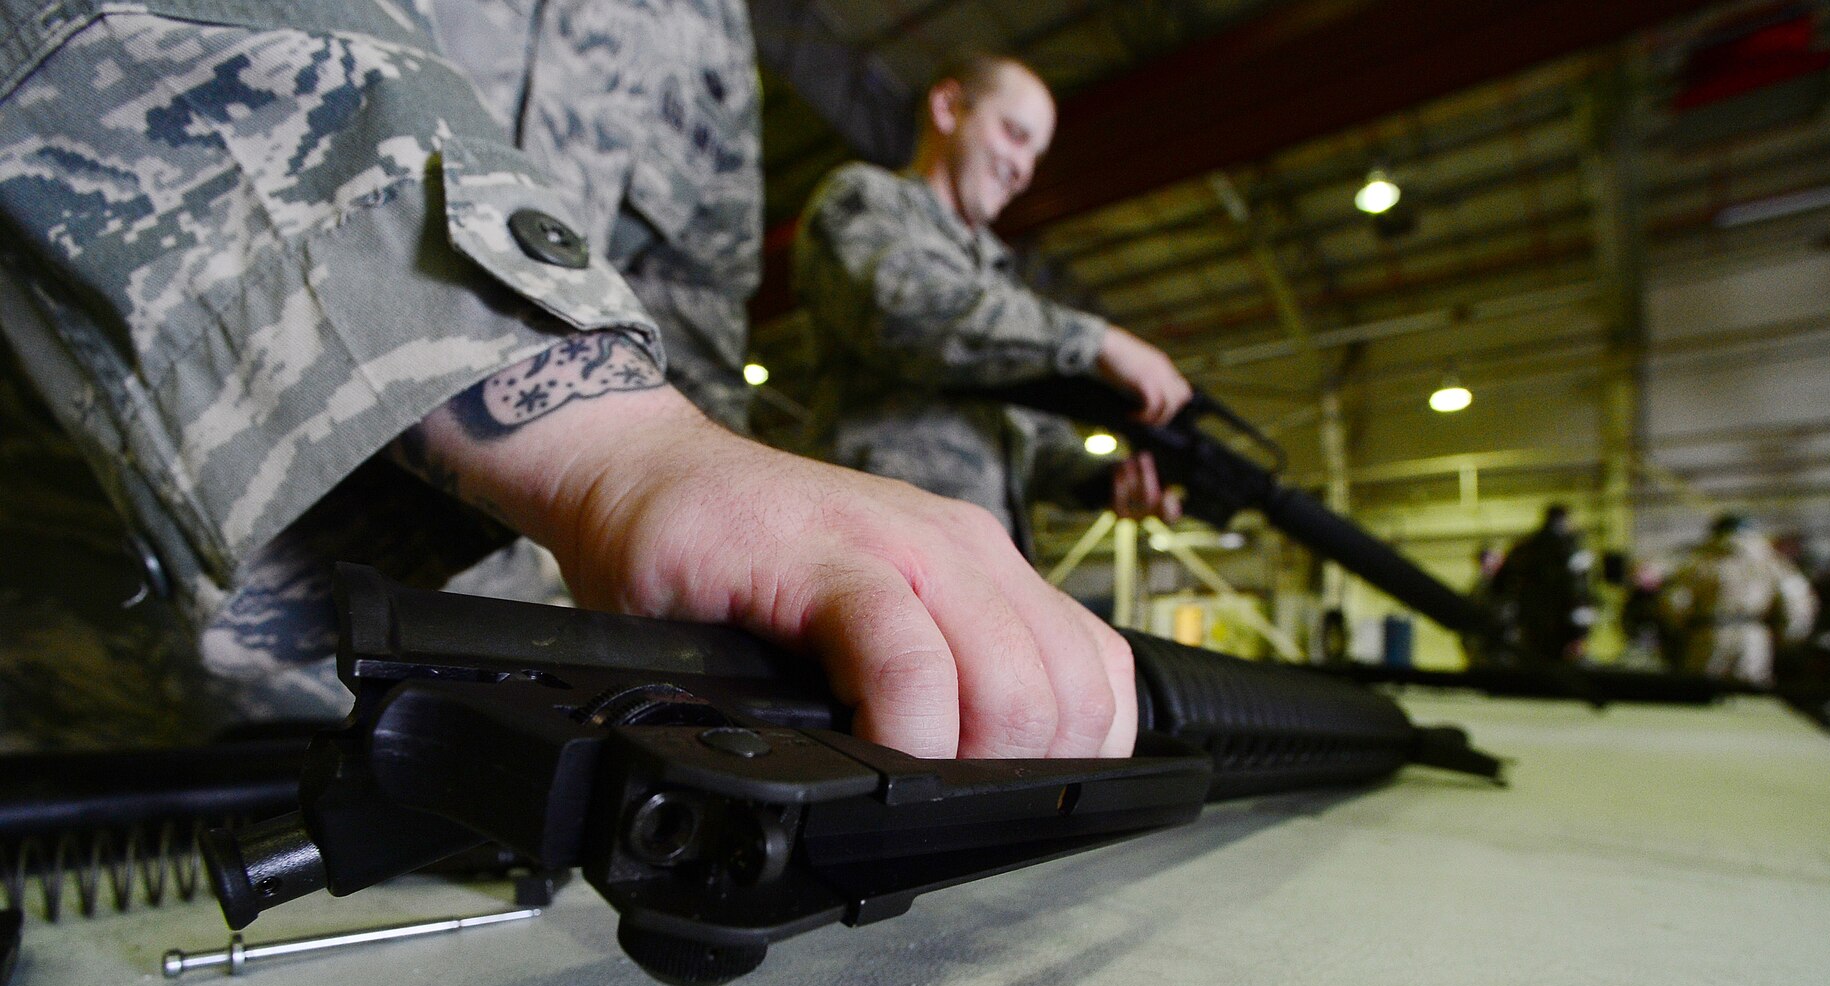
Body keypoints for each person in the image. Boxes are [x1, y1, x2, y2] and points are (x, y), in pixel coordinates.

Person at [0, 3, 1134, 764]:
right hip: (95, 652)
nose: (1023, 164)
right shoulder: (878, 215)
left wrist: (725, 652)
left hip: (477, 699)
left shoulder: (701, 27)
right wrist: (619, 459)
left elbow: (691, 329)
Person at [792, 53, 1193, 555]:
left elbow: (1035, 444)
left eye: (1035, 157)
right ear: (948, 107)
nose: (1023, 172)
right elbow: (904, 314)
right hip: (880, 546)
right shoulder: (866, 200)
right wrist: (1096, 342)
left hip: (985, 561)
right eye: (1015, 135)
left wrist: (1108, 480)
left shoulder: (1003, 287)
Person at [1660, 513, 1816, 686]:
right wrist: (1787, 638)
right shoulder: (1772, 562)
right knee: (1750, 694)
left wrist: (1683, 631)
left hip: (1707, 634)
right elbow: (1795, 603)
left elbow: (1673, 602)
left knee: (1703, 690)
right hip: (1753, 637)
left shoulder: (1696, 563)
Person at [1486, 504, 1596, 663]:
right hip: (1562, 626)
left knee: (1533, 666)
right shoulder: (1571, 551)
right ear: (1564, 520)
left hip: (1529, 625)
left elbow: (1498, 585)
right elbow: (1578, 593)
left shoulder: (1523, 549)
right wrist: (1580, 635)